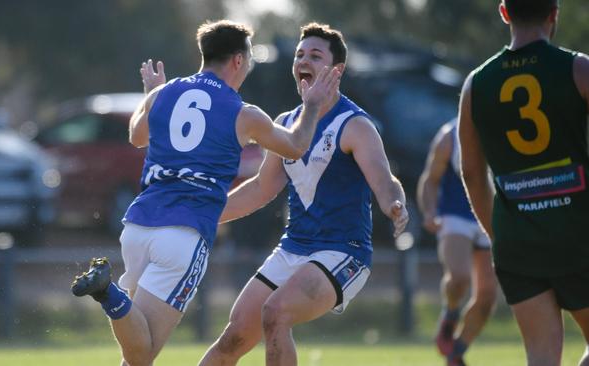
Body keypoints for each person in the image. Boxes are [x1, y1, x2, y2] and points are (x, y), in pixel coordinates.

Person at [70, 20, 340, 366]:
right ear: (238, 61)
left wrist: (154, 94)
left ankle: (109, 293)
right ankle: (108, 292)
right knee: (142, 353)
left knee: (135, 352)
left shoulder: (163, 94)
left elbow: (137, 137)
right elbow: (296, 146)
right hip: (183, 234)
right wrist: (313, 105)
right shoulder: (244, 112)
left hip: (137, 227)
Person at [195, 23, 408, 366]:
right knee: (233, 336)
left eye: (315, 55)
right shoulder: (287, 123)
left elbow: (384, 181)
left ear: (336, 71)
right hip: (293, 248)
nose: (303, 61)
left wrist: (394, 204)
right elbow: (262, 188)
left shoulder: (354, 124)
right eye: (299, 54)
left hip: (343, 252)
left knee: (275, 312)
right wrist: (206, 213)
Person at [458, 1, 589, 365]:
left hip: (517, 242)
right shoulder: (578, 68)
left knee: (541, 357)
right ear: (554, 13)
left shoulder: (476, 83)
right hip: (579, 234)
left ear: (504, 13)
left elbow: (471, 172)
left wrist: (498, 234)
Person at [417, 120, 497, 366]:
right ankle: (450, 314)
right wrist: (429, 211)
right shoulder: (450, 136)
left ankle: (457, 352)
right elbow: (430, 180)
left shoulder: (504, 129)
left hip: (492, 218)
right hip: (455, 217)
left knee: (487, 298)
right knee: (460, 277)